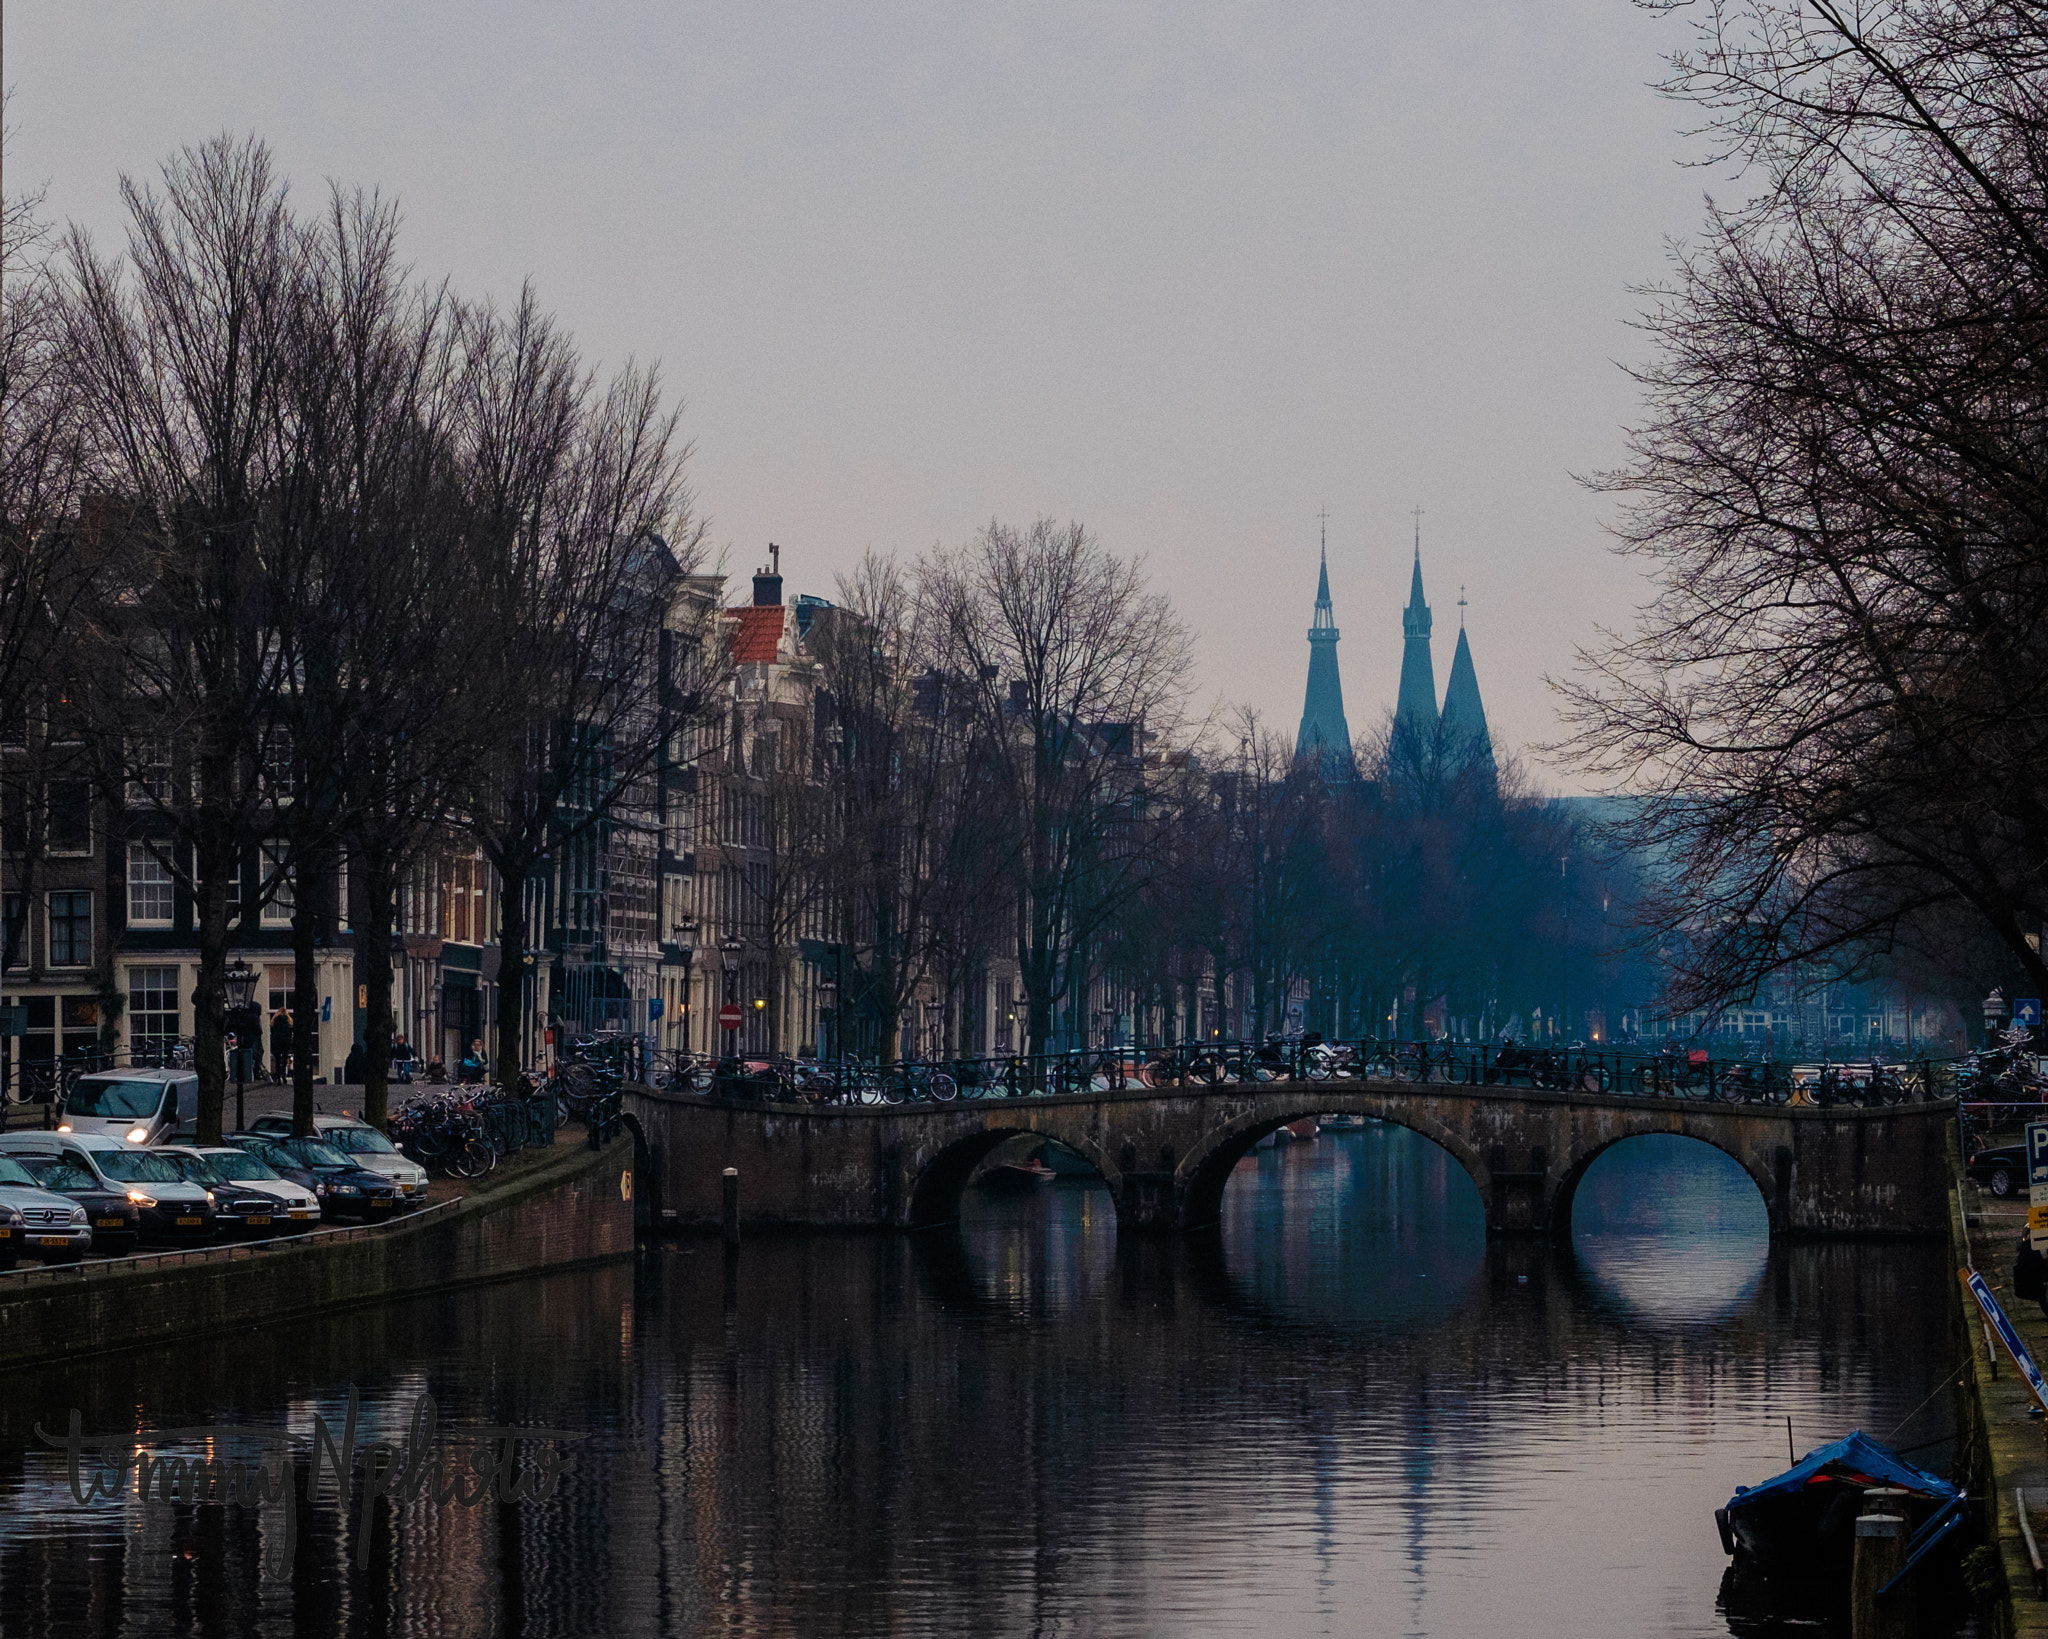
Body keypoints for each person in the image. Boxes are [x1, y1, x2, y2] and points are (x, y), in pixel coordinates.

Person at [269, 1008, 293, 1083]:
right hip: (285, 1042)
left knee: (278, 1059)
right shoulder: (288, 1021)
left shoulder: (275, 1021)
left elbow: (272, 1032)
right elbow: (290, 1032)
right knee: (285, 1058)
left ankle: (278, 1076)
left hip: (276, 1041)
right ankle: (283, 1075)